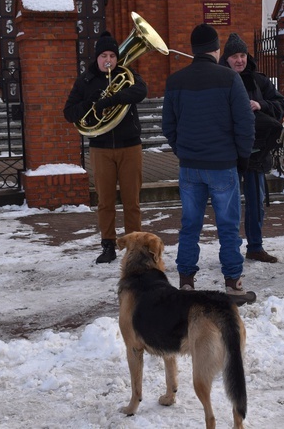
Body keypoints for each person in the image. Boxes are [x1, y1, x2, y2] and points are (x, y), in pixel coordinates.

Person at [162, 24, 257, 305]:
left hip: (190, 166)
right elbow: (244, 123)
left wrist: (184, 151)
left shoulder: (175, 80)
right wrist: (241, 157)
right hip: (223, 165)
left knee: (189, 225)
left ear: (193, 50)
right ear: (217, 49)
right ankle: (233, 285)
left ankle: (186, 284)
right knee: (228, 227)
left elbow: (169, 125)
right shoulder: (229, 78)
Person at [63, 31, 148, 264]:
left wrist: (111, 100)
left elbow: (141, 91)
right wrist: (91, 104)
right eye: (104, 55)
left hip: (130, 146)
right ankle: (108, 244)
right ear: (97, 58)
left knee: (132, 201)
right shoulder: (85, 80)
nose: (108, 59)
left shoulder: (127, 74)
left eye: (112, 55)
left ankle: (135, 248)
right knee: (105, 201)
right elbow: (68, 112)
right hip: (100, 148)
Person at [219, 33, 284, 264]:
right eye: (234, 56)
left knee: (256, 203)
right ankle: (230, 249)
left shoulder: (258, 81)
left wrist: (262, 104)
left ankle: (255, 247)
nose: (239, 60)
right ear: (226, 59)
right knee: (228, 204)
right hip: (229, 153)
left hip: (257, 154)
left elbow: (281, 103)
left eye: (242, 55)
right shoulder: (220, 79)